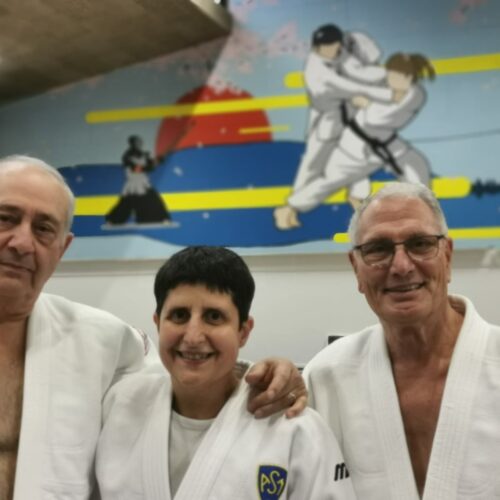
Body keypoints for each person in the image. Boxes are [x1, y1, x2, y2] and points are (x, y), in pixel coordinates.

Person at [0, 155, 306, 499]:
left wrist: (272, 377)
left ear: (62, 247)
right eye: (5, 218)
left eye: (43, 228)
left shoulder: (102, 339)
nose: (22, 243)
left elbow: (187, 375)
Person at [96, 246, 356, 499]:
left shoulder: (295, 429)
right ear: (157, 323)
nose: (193, 336)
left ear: (243, 331)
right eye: (179, 315)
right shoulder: (120, 406)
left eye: (214, 317)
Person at [303, 182, 500, 499]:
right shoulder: (325, 376)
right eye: (378, 249)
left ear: (447, 256)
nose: (401, 266)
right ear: (356, 269)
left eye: (420, 244)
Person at [284, 53, 435, 220]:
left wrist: (367, 104)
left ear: (411, 78)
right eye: (392, 75)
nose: (395, 80)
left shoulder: (415, 95)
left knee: (416, 164)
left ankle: (421, 210)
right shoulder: (378, 86)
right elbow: (356, 86)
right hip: (355, 144)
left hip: (385, 141)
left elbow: (378, 118)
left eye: (401, 77)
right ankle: (290, 208)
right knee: (330, 180)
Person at [274, 23, 394, 230]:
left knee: (356, 158)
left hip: (351, 116)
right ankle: (290, 208)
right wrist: (367, 93)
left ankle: (359, 201)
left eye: (332, 46)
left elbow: (362, 71)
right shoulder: (315, 68)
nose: (329, 50)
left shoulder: (348, 50)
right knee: (313, 165)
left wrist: (384, 79)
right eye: (324, 47)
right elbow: (340, 87)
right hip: (327, 119)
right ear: (316, 47)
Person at [105, 135, 172, 226]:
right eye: (138, 142)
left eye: (140, 142)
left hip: (143, 181)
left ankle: (160, 218)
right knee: (127, 203)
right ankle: (112, 220)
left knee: (153, 198)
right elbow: (136, 169)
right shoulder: (127, 156)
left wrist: (158, 160)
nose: (140, 144)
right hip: (133, 182)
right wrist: (149, 166)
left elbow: (151, 164)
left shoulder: (143, 154)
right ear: (133, 143)